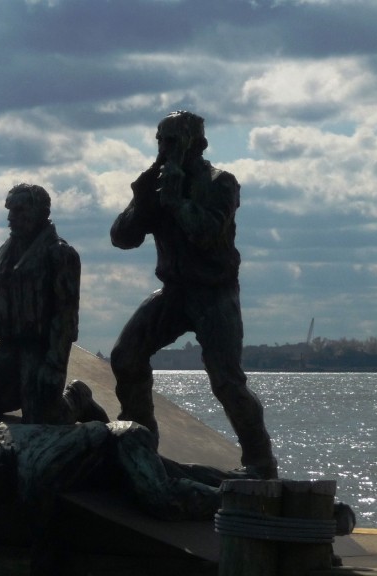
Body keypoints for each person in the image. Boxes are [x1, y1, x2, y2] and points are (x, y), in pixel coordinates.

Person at [109, 110, 277, 479]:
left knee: (226, 381)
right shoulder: (157, 186)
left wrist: (176, 202)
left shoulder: (221, 183)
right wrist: (140, 200)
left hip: (215, 293)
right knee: (125, 356)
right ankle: (140, 437)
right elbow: (122, 239)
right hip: (174, 292)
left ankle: (260, 461)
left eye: (173, 141)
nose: (165, 148)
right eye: (161, 140)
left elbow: (208, 233)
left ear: (197, 144)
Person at [0, 184, 108, 425]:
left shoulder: (60, 255)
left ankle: (77, 398)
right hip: (8, 348)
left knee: (39, 418)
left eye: (19, 211)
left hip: (38, 349)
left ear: (41, 213)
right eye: (10, 211)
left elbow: (65, 317)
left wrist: (54, 365)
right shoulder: (1, 257)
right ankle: (25, 395)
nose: (11, 218)